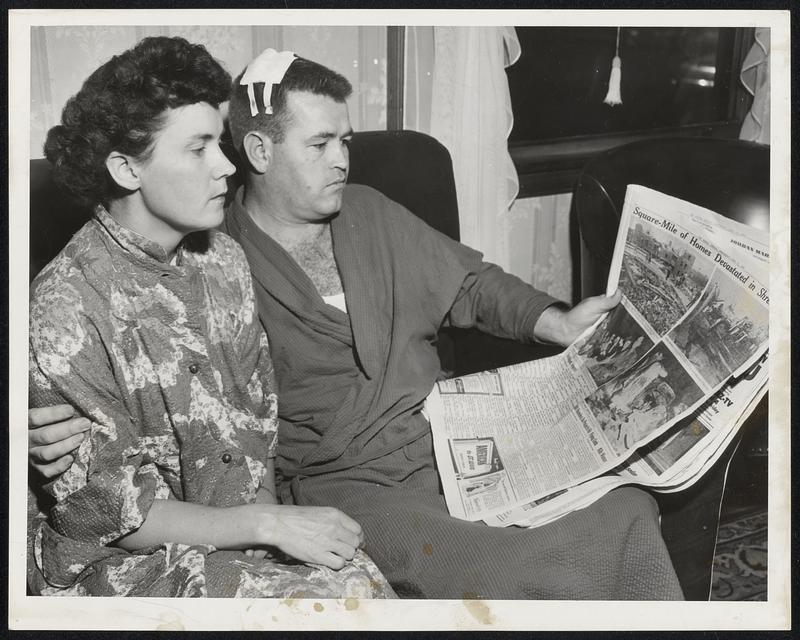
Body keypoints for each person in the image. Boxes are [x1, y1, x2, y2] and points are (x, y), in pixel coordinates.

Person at [30, 47, 684, 600]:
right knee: (512, 568)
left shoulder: (220, 262)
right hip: (307, 496)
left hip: (434, 446)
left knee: (623, 508)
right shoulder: (126, 283)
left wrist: (560, 324)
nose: (223, 166)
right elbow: (105, 495)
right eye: (321, 144)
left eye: (344, 140)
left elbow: (468, 282)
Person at [26, 37, 394, 599]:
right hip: (118, 568)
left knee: (360, 580)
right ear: (127, 169)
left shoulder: (223, 259)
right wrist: (264, 528)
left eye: (219, 143)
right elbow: (107, 513)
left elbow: (259, 421)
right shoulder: (63, 310)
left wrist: (268, 524)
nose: (227, 165)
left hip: (235, 528)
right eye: (198, 149)